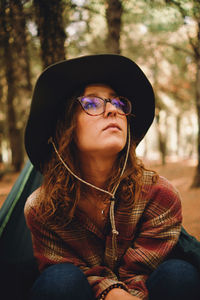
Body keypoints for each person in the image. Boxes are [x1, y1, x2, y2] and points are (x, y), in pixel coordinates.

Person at [24, 54, 200, 300]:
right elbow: (65, 269)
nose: (113, 110)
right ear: (66, 127)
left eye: (119, 103)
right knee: (60, 280)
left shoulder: (160, 196)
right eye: (93, 104)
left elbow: (140, 274)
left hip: (147, 291)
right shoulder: (42, 208)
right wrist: (108, 291)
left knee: (180, 274)